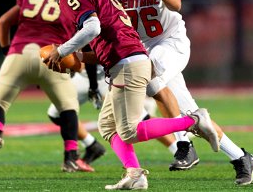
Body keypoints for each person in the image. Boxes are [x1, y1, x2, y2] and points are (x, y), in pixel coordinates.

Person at [43, 0, 219, 190]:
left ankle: (193, 121)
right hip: (127, 61)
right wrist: (80, 57)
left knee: (129, 130)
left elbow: (93, 28)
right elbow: (109, 42)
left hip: (127, 65)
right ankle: (135, 174)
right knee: (107, 126)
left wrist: (61, 51)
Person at [100, 0, 253, 185]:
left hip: (170, 43)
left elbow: (176, 4)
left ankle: (183, 144)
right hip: (137, 47)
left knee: (150, 78)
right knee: (192, 113)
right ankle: (241, 157)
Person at [0, 0, 93, 173]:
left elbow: (2, 22)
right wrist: (77, 65)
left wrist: (8, 52)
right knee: (68, 107)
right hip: (53, 56)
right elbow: (82, 38)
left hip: (20, 52)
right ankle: (71, 157)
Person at [47, 62, 179, 163]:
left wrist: (93, 86)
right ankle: (91, 145)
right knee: (57, 112)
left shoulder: (94, 26)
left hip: (106, 75)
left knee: (140, 118)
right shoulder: (68, 27)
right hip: (82, 76)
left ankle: (178, 148)